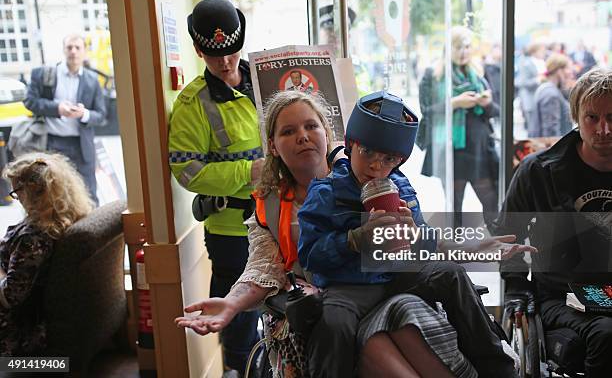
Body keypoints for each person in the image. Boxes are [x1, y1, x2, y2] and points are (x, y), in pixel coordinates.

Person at [176, 91, 480, 378]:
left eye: (311, 126)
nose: (302, 136)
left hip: (388, 289)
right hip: (327, 308)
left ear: (329, 134)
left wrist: (471, 247)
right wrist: (231, 302)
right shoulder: (269, 205)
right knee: (353, 339)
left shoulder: (378, 178)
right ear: (272, 145)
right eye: (287, 131)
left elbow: (421, 236)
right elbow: (262, 267)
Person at [298, 90, 534, 378]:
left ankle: (499, 368)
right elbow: (310, 255)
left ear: (399, 160)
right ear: (350, 145)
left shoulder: (400, 185)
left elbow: (426, 244)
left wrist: (465, 244)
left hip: (397, 277)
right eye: (367, 152)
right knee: (333, 326)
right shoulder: (326, 192)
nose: (376, 165)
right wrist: (355, 239)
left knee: (451, 274)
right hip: (349, 288)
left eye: (388, 159)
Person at [494, 67, 612, 377]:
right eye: (592, 118)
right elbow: (508, 233)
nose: (604, 130)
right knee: (606, 332)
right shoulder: (539, 171)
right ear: (577, 118)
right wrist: (516, 288)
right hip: (563, 295)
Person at [167, 0, 264, 377]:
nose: (225, 62)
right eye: (213, 55)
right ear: (198, 50)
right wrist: (247, 171)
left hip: (283, 216)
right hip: (232, 230)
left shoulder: (266, 79)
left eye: (231, 51)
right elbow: (186, 171)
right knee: (238, 323)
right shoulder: (193, 103)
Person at [1, 152, 94, 356]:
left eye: (17, 192)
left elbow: (10, 297)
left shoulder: (33, 239)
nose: (17, 199)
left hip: (18, 338)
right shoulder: (66, 217)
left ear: (34, 192)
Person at [418, 26, 500, 228]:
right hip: (453, 149)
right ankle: (457, 254)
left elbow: (496, 110)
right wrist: (455, 103)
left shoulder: (479, 74)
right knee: (454, 206)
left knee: (492, 201)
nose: (463, 52)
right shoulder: (433, 75)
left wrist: (485, 103)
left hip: (480, 148)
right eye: (457, 47)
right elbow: (427, 110)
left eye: (467, 47)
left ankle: (505, 250)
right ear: (448, 49)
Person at [24, 33, 108, 205]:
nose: (73, 52)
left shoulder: (92, 80)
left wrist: (84, 114)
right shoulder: (45, 75)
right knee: (55, 193)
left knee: (89, 193)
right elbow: (30, 101)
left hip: (81, 145)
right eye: (69, 47)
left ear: (85, 52)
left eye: (78, 48)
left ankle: (93, 230)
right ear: (63, 50)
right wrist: (57, 108)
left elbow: (101, 115)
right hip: (53, 143)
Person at [318, 4, 371, 96]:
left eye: (339, 33)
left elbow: (363, 98)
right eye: (329, 32)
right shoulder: (311, 62)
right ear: (321, 35)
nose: (334, 37)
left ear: (348, 36)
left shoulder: (357, 67)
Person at [530, 53, 574, 138]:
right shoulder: (550, 94)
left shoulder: (548, 89)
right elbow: (551, 133)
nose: (571, 73)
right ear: (559, 71)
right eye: (568, 69)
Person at [516, 42, 547, 134]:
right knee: (532, 128)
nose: (544, 53)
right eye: (541, 51)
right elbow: (523, 82)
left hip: (539, 98)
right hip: (530, 99)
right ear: (534, 52)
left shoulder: (542, 62)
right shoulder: (526, 63)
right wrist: (538, 80)